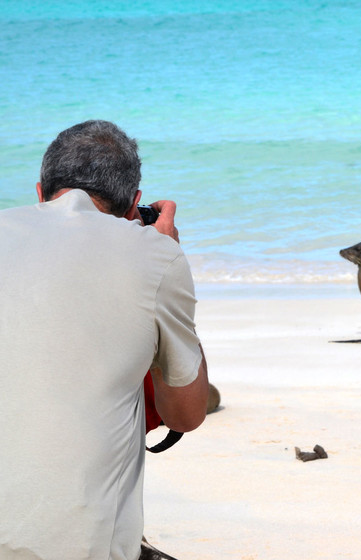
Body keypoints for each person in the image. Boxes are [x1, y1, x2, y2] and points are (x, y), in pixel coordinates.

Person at [0, 120, 209, 560]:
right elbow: (186, 414)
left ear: (39, 192)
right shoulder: (156, 253)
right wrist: (169, 253)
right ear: (135, 204)